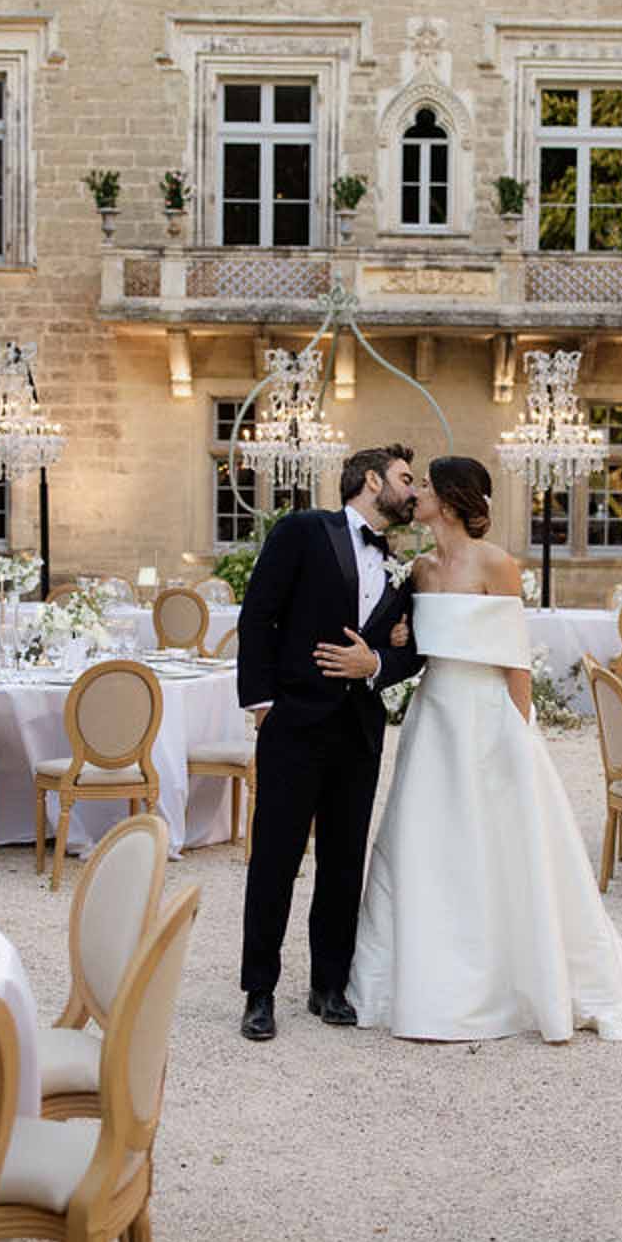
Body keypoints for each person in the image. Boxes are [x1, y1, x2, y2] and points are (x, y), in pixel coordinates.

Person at [346, 455, 622, 1042]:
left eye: (426, 487)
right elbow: (410, 645)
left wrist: (520, 734)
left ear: (451, 498)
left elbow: (514, 661)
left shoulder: (497, 565)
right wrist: (394, 638)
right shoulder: (416, 569)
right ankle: (418, 977)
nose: (414, 494)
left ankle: (508, 977)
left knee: (499, 843)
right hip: (433, 716)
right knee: (422, 841)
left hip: (487, 717)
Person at [235, 444, 426, 1041]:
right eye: (404, 478)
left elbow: (412, 649)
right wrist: (262, 704)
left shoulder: (402, 565)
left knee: (344, 861)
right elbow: (258, 614)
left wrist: (376, 663)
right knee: (276, 857)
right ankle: (259, 991)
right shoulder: (303, 531)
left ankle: (328, 986)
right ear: (371, 481)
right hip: (293, 722)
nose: (414, 488)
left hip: (358, 729)